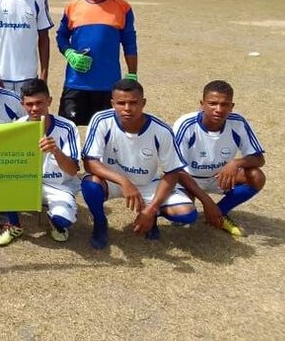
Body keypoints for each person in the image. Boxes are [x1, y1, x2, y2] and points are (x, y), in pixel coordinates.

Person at [81, 79, 198, 249]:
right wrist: (123, 181)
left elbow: (172, 172)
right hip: (113, 182)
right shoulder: (101, 120)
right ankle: (100, 223)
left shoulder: (161, 130)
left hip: (146, 183)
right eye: (121, 103)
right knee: (90, 184)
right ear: (112, 103)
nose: (127, 108)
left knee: (187, 214)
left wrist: (151, 210)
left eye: (133, 103)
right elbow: (89, 162)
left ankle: (153, 218)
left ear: (143, 103)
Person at [0, 79, 81, 246]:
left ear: (49, 101)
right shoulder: (17, 127)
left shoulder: (67, 127)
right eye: (29, 104)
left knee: (63, 221)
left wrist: (56, 151)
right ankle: (14, 225)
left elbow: (73, 171)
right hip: (28, 181)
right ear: (22, 104)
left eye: (39, 103)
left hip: (59, 186)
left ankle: (54, 220)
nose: (34, 108)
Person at [173, 80, 266, 237]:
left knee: (256, 176)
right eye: (212, 103)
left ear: (232, 106)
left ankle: (220, 213)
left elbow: (259, 159)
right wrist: (207, 201)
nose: (218, 109)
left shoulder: (238, 122)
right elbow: (175, 169)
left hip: (219, 178)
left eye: (224, 104)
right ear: (202, 104)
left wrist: (236, 163)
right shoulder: (186, 124)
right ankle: (203, 208)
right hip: (188, 180)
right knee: (184, 216)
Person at [55, 0, 138, 126]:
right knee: (70, 133)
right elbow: (61, 36)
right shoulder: (72, 7)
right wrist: (70, 53)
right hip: (76, 84)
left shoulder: (122, 7)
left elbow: (129, 43)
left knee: (107, 136)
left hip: (108, 86)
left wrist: (132, 74)